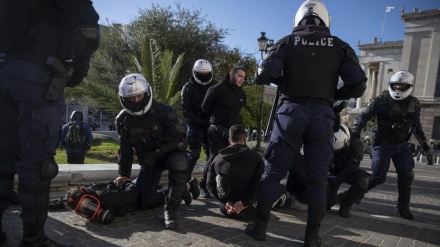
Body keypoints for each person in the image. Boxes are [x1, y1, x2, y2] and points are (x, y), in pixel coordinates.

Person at [244, 1, 367, 245]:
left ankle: (260, 227)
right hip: (322, 115)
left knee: (273, 173)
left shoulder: (286, 42)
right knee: (318, 179)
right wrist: (334, 94)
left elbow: (262, 75)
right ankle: (312, 236)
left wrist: (285, 81)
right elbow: (359, 84)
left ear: (298, 19)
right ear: (325, 19)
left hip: (291, 112)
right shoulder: (339, 46)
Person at [0, 1, 99, 246]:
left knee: (2, 158)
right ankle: (34, 239)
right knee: (38, 165)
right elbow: (88, 29)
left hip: (4, 73)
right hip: (38, 74)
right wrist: (78, 69)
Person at [113, 73, 191, 230]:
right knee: (144, 202)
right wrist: (124, 173)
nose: (136, 101)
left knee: (180, 163)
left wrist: (155, 154)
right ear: (124, 99)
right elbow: (125, 148)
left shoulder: (164, 112)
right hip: (149, 163)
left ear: (146, 93)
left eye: (139, 96)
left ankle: (170, 210)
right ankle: (183, 190)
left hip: (170, 155)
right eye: (131, 98)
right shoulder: (123, 120)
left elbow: (182, 140)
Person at [352, 70, 430, 221]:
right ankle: (354, 193)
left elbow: (416, 125)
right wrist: (355, 133)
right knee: (378, 177)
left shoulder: (415, 104)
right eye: (396, 85)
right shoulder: (380, 101)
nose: (398, 88)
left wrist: (424, 143)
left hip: (402, 145)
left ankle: (403, 208)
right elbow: (362, 117)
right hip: (383, 144)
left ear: (409, 86)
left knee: (407, 176)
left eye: (402, 85)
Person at [199, 66, 247, 198]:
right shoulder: (217, 89)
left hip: (232, 133)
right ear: (231, 75)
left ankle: (224, 186)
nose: (242, 79)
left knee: (232, 160)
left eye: (243, 77)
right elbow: (205, 108)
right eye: (239, 76)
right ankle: (203, 185)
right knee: (215, 157)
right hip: (216, 129)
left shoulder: (242, 94)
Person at [206, 125, 265, 221]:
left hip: (226, 209)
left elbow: (209, 184)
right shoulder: (256, 158)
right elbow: (259, 183)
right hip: (250, 209)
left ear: (229, 140)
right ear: (245, 139)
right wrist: (244, 203)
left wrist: (225, 201)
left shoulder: (216, 159)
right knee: (279, 189)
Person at [181, 59, 218, 199]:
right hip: (195, 124)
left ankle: (205, 185)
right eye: (201, 74)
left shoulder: (215, 85)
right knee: (194, 154)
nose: (203, 76)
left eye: (206, 74)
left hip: (210, 124)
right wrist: (199, 121)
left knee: (211, 155)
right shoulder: (188, 87)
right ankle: (184, 182)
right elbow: (186, 111)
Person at [326, 124, 370, 218]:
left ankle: (345, 205)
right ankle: (334, 199)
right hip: (331, 170)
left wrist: (336, 181)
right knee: (327, 204)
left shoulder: (357, 145)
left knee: (363, 181)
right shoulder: (326, 136)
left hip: (347, 171)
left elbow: (351, 168)